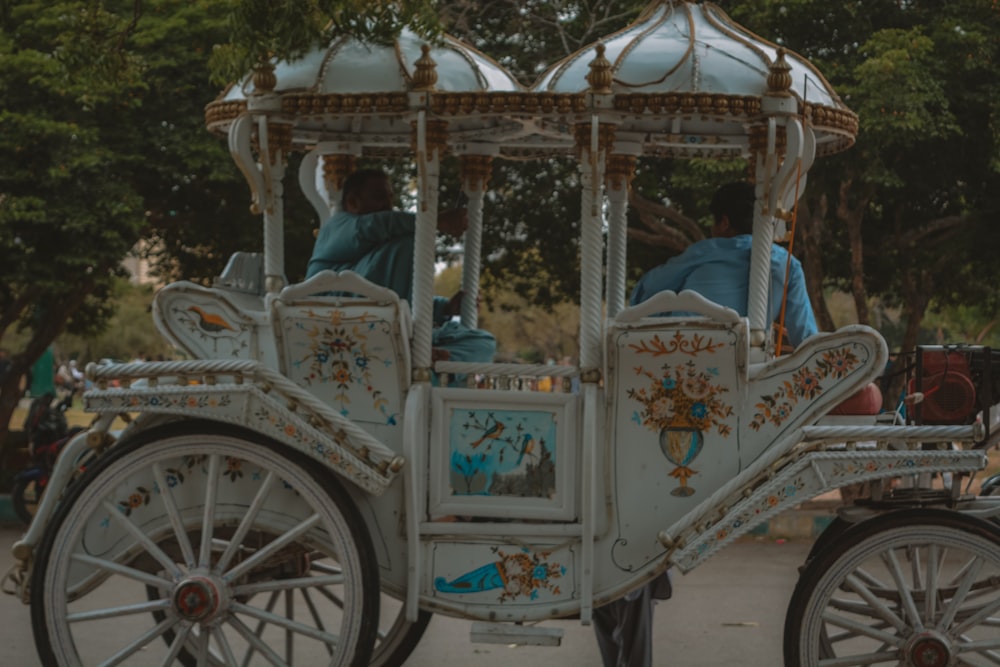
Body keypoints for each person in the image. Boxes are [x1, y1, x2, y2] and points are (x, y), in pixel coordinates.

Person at [307, 169, 496, 365]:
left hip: (386, 331)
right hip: (343, 328)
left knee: (483, 342)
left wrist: (445, 308)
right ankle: (414, 354)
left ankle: (433, 362)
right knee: (406, 245)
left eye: (390, 197)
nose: (388, 205)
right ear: (353, 202)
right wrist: (435, 222)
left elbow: (397, 296)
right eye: (379, 198)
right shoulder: (339, 226)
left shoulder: (383, 249)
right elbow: (375, 226)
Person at [629, 180, 818, 347]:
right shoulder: (787, 264)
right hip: (749, 365)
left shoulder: (706, 251)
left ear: (725, 222)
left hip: (680, 355)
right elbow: (806, 337)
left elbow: (649, 288)